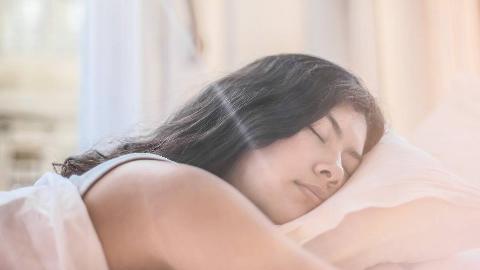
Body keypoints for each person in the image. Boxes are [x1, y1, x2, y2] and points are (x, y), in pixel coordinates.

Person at [5, 54, 385, 270]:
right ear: (256, 113)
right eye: (320, 134)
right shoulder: (174, 191)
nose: (334, 170)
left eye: (348, 166)